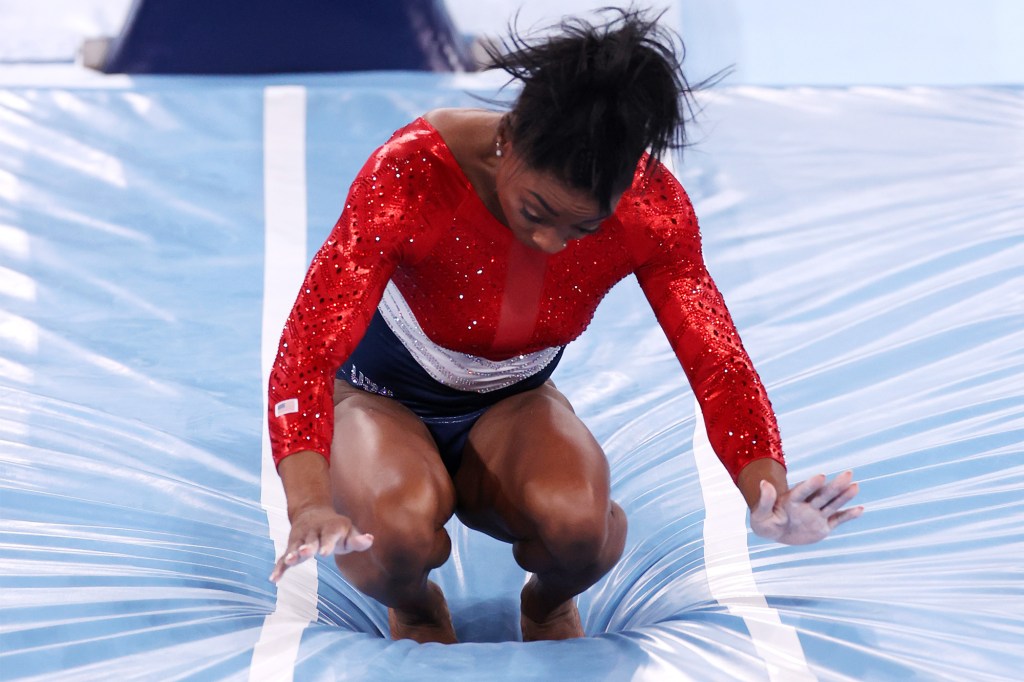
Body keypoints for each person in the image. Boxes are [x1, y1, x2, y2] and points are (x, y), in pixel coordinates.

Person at [266, 8, 863, 644]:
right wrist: (307, 502)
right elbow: (306, 349)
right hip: (379, 398)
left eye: (584, 228)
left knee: (580, 527)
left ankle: (547, 604)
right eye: (537, 210)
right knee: (393, 535)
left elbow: (716, 359)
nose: (552, 243)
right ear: (511, 136)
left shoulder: (650, 210)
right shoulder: (412, 175)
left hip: (512, 404)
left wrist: (766, 493)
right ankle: (413, 605)